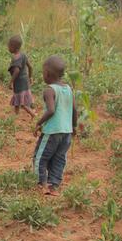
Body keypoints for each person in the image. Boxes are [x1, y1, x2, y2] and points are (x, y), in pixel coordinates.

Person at [33, 55, 77, 196]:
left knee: (40, 158)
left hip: (52, 132)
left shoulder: (49, 90)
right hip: (66, 132)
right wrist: (74, 127)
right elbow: (75, 110)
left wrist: (39, 122)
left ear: (47, 73)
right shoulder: (69, 89)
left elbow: (51, 110)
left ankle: (41, 184)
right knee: (59, 158)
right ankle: (54, 186)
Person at [7, 35, 35, 118]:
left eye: (9, 46)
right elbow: (30, 67)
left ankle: (32, 114)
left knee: (22, 103)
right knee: (17, 98)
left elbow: (17, 71)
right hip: (25, 81)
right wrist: (30, 77)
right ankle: (16, 115)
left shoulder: (16, 58)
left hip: (19, 83)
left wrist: (11, 82)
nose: (8, 47)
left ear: (13, 47)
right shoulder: (23, 55)